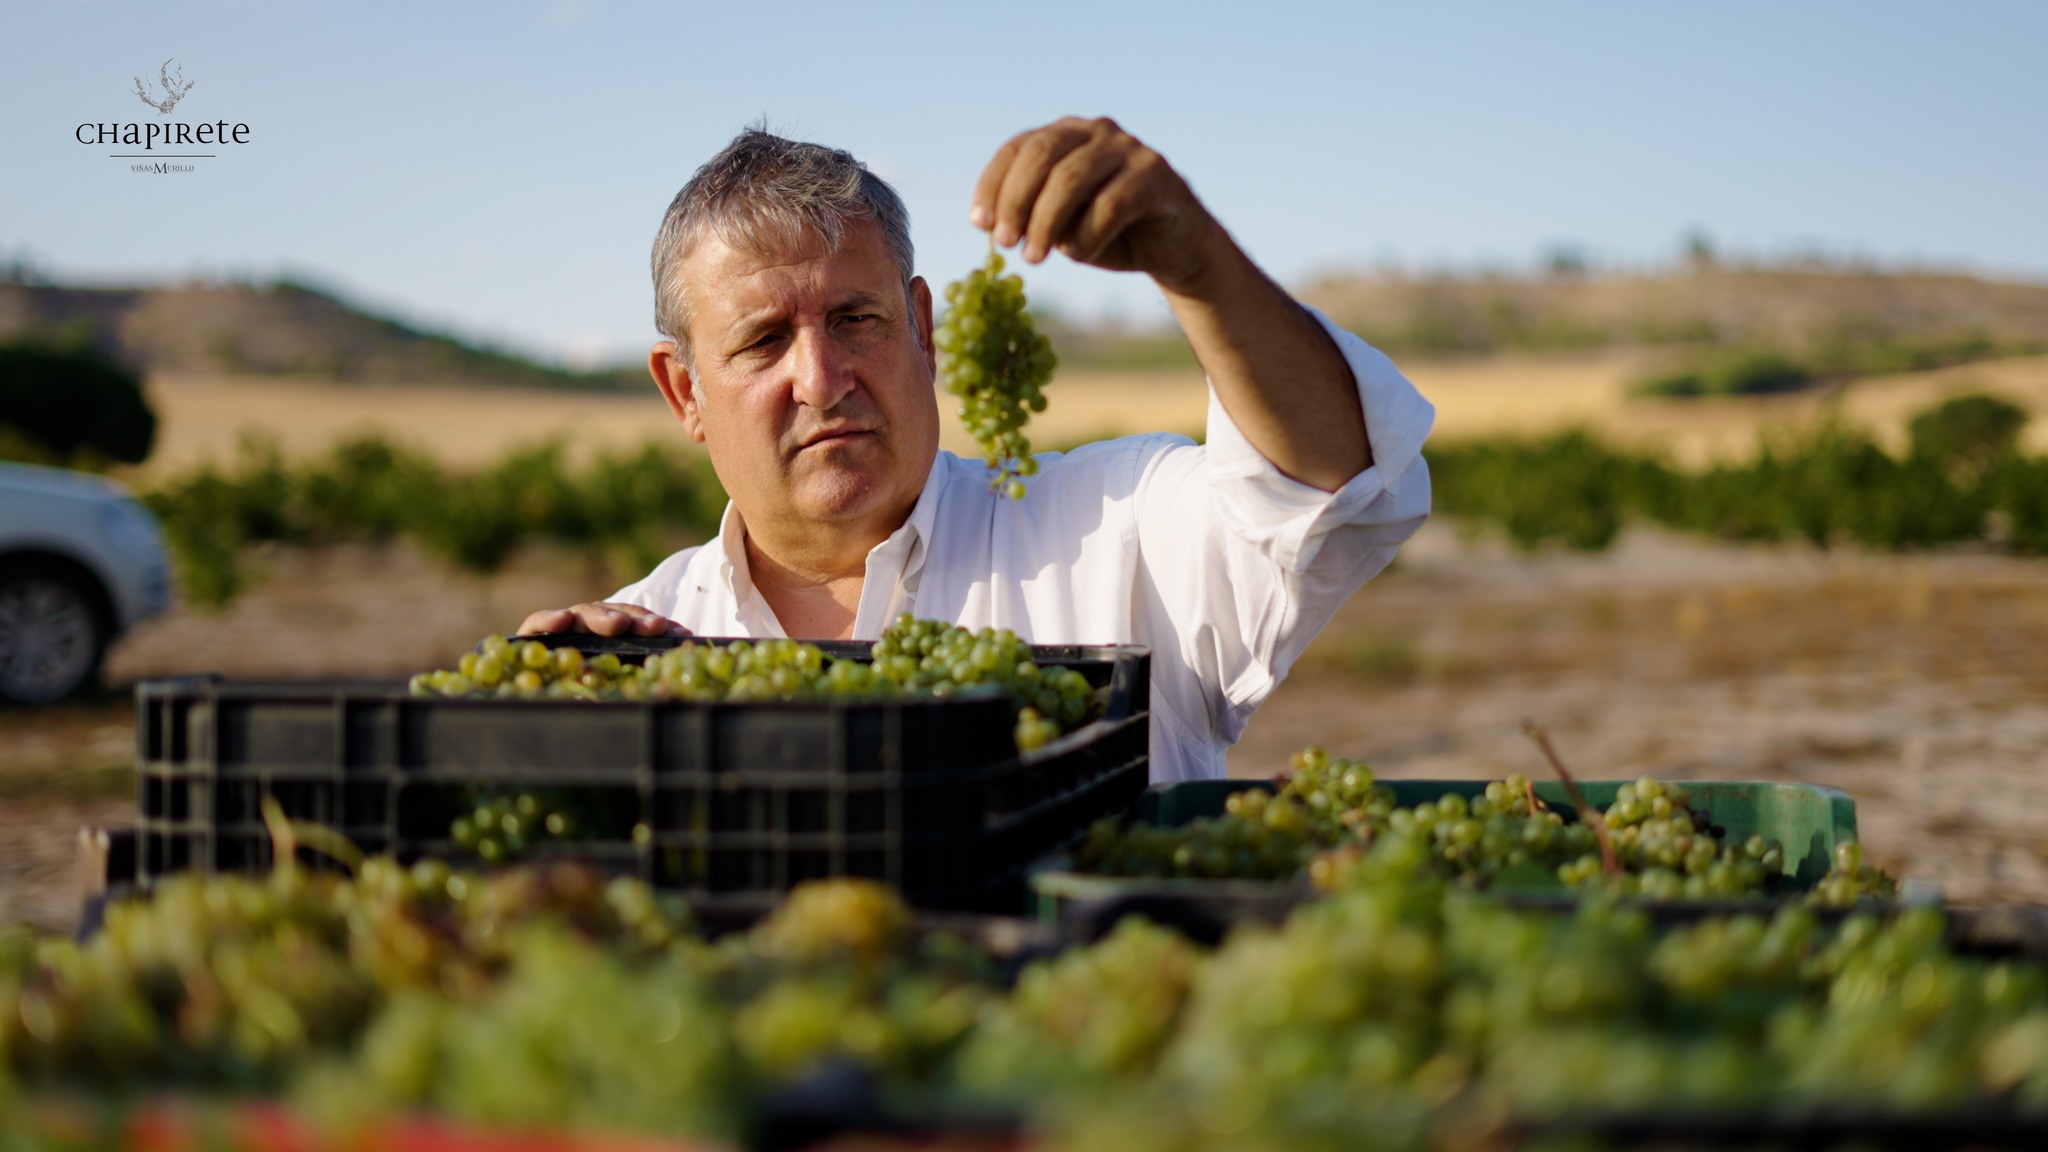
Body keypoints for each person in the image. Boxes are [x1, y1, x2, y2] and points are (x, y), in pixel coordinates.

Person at [518, 117, 1434, 782]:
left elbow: (1329, 480)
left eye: (856, 319)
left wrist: (1194, 260)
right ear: (685, 393)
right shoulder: (637, 647)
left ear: (922, 327)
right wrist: (528, 723)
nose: (822, 377)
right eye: (762, 342)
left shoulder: (1113, 528)